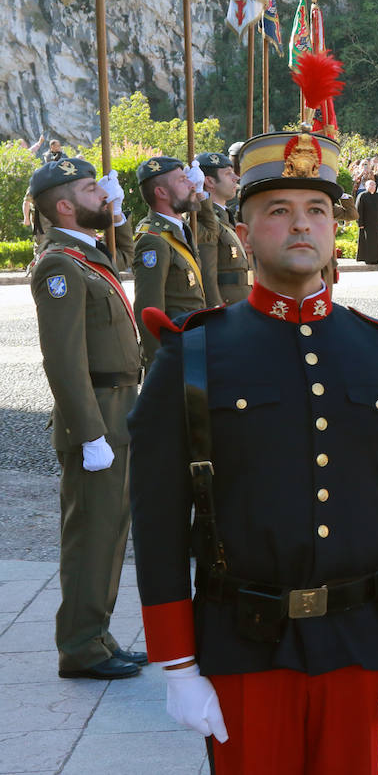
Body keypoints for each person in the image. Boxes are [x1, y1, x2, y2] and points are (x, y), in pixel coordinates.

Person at [128, 129, 378, 773]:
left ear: (335, 228)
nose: (301, 225)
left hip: (359, 640)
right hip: (242, 643)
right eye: (278, 211)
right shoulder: (192, 355)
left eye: (317, 210)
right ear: (244, 234)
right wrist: (177, 664)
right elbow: (158, 517)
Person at [29, 158, 146, 680]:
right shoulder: (59, 265)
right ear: (62, 205)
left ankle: (96, 634)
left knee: (111, 529)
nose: (103, 193)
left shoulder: (85, 255)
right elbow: (64, 359)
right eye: (90, 188)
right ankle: (79, 646)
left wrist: (112, 215)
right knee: (90, 533)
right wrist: (89, 432)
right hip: (96, 412)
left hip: (120, 404)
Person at [133, 157, 206, 367]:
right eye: (182, 180)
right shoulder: (153, 240)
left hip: (191, 346)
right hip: (175, 356)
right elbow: (149, 310)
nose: (192, 184)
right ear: (162, 192)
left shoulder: (180, 230)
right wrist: (160, 366)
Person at [194, 152, 251, 307]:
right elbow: (207, 274)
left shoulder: (227, 215)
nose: (236, 178)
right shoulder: (201, 219)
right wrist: (216, 310)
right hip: (226, 305)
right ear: (210, 181)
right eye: (227, 174)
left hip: (242, 302)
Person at [355, 178, 378, 264]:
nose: (373, 186)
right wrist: (360, 222)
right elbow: (359, 210)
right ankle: (368, 259)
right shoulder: (362, 196)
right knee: (368, 241)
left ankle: (377, 259)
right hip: (366, 224)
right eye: (370, 185)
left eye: (374, 185)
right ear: (366, 186)